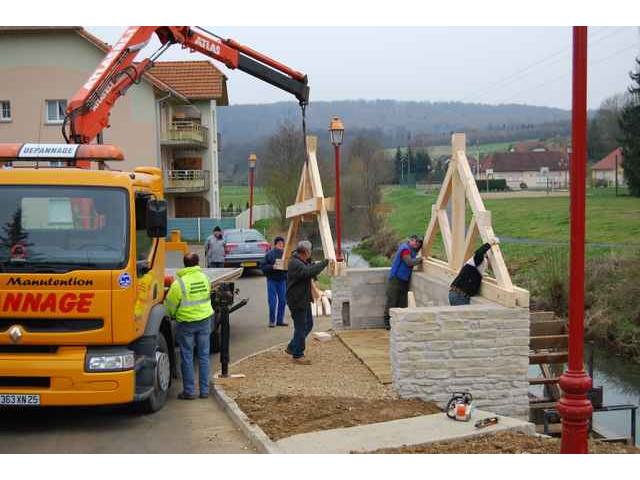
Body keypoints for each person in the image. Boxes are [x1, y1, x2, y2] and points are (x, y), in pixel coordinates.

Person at [164, 252, 213, 400]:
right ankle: (204, 391)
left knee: (187, 356)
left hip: (187, 324)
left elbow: (170, 306)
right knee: (204, 356)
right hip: (204, 320)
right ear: (197, 263)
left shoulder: (179, 283)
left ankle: (189, 391)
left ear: (184, 264)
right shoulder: (205, 278)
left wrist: (171, 314)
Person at [285, 240, 329, 364]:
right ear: (305, 252)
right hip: (297, 300)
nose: (311, 254)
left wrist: (315, 268)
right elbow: (307, 272)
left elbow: (309, 269)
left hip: (302, 299)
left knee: (308, 324)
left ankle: (293, 346)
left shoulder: (300, 261)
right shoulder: (295, 263)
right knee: (301, 327)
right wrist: (324, 263)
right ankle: (298, 355)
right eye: (310, 252)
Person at [383, 235, 423, 330]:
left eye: (419, 243)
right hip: (396, 279)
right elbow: (409, 262)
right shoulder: (405, 249)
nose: (417, 244)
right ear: (411, 240)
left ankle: (398, 324)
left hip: (404, 279)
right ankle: (387, 323)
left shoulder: (411, 249)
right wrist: (421, 259)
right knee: (392, 301)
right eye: (416, 242)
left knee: (402, 303)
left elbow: (417, 251)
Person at [449, 240, 497, 306]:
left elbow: (473, 274)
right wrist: (489, 244)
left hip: (457, 294)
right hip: (460, 296)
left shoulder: (474, 265)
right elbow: (479, 252)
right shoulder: (480, 259)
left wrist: (482, 276)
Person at [261, 236, 288, 327]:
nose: (281, 245)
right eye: (279, 244)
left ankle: (280, 320)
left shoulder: (286, 254)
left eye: (282, 244)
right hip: (272, 280)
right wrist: (272, 267)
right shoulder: (269, 254)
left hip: (282, 281)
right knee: (272, 302)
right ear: (275, 244)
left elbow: (290, 266)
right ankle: (272, 321)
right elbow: (263, 267)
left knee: (283, 301)